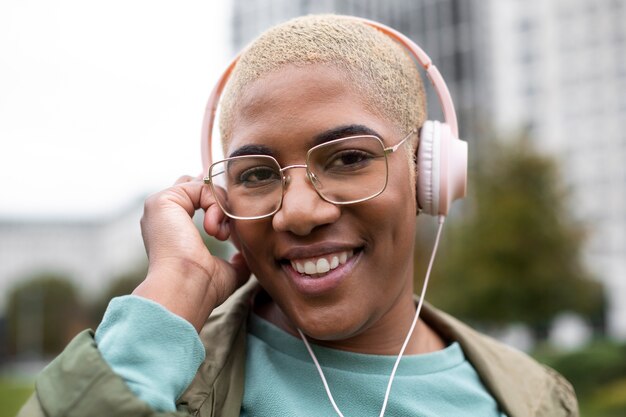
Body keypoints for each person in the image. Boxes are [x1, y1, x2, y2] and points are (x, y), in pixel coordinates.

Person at [18, 14, 578, 417]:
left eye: (349, 158)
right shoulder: (166, 382)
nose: (301, 213)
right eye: (257, 174)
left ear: (428, 173)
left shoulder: (535, 399)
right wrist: (174, 288)